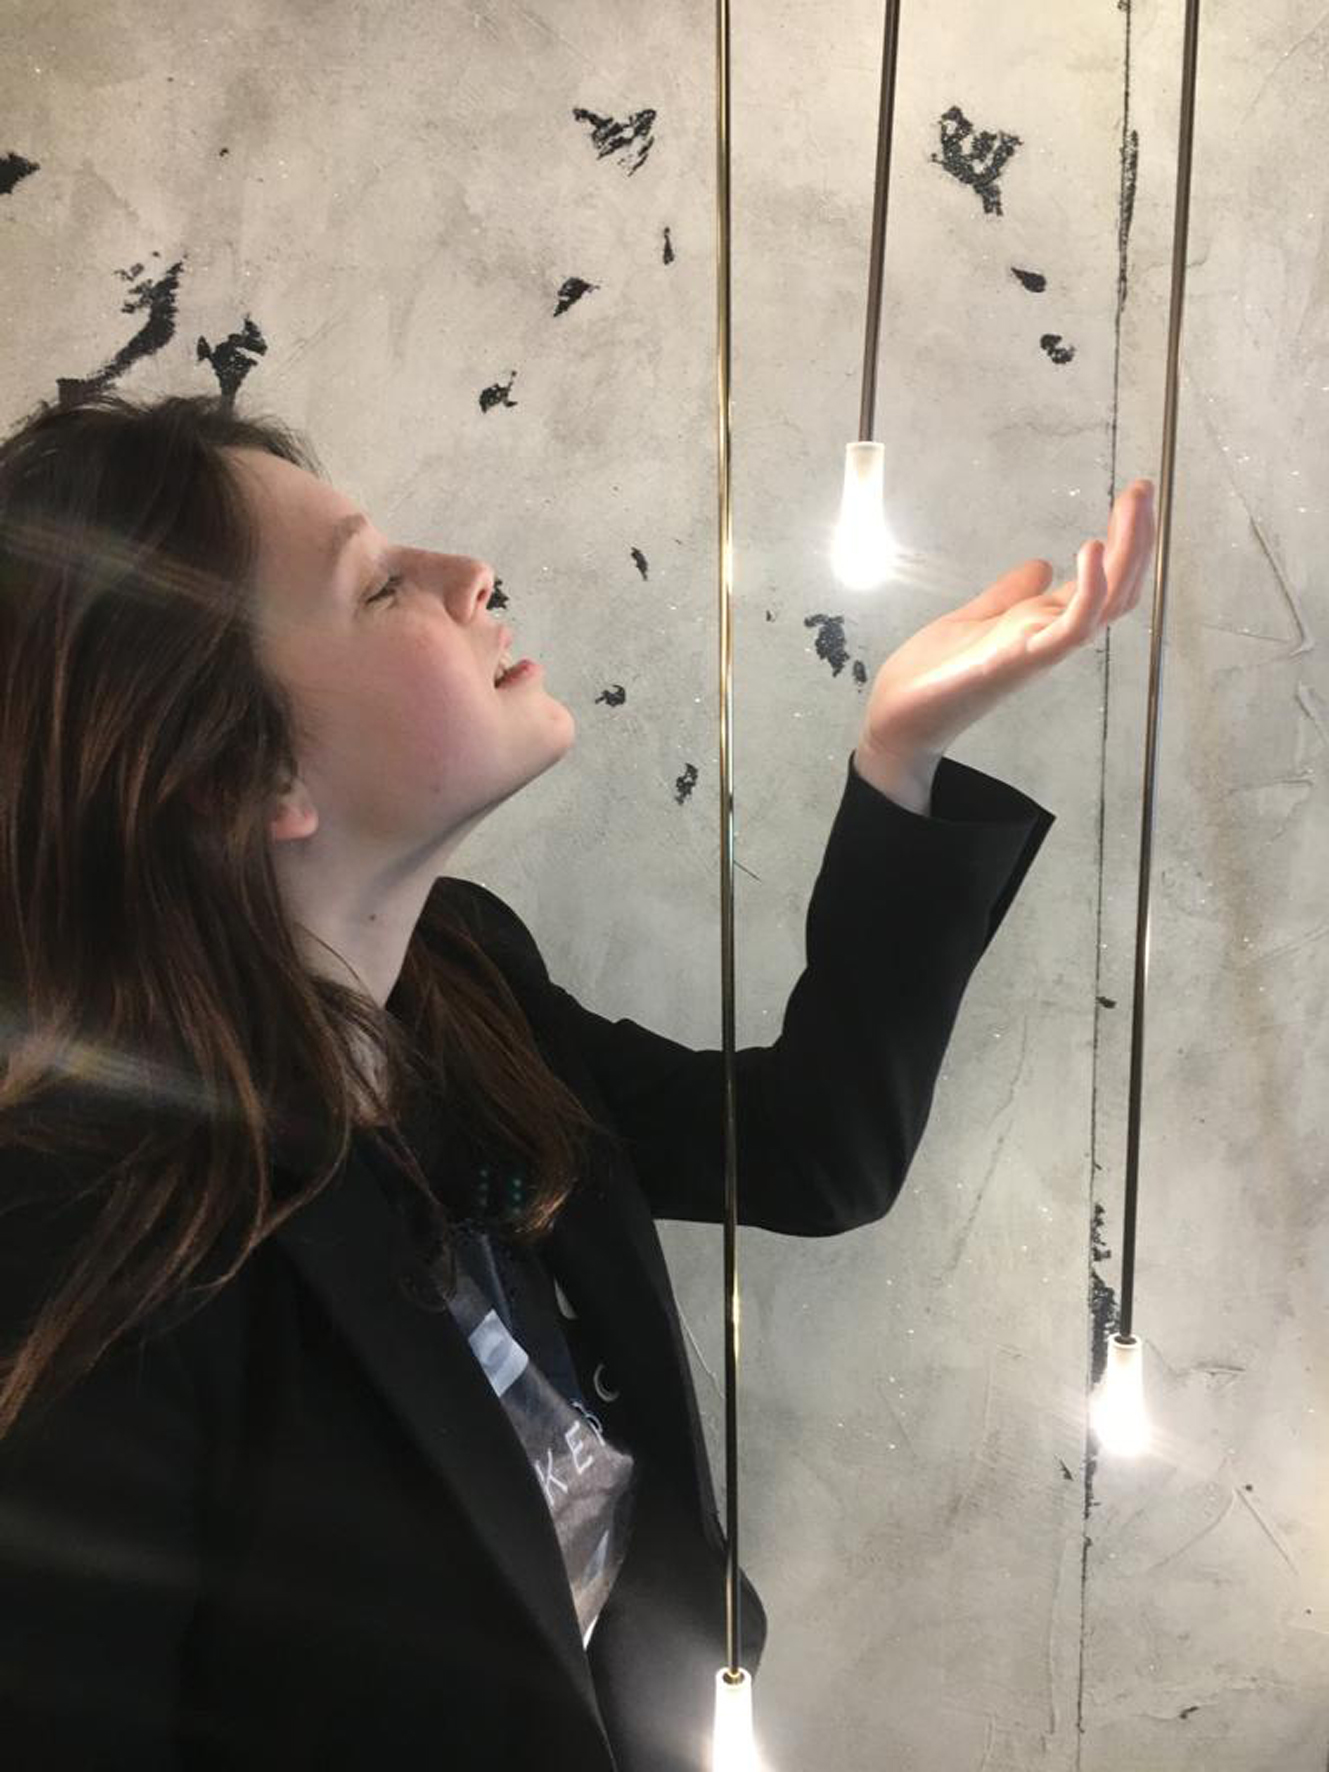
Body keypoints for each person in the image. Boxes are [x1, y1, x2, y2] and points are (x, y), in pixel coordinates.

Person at [0, 389, 1156, 1770]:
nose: (467, 574)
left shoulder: (463, 980)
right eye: (378, 586)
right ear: (237, 772)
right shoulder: (86, 1254)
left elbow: (811, 1151)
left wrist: (899, 756)